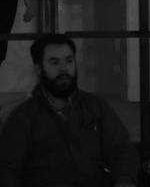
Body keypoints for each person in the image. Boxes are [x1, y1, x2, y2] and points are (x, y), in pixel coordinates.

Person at [0, 33, 138, 187]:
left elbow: (121, 150)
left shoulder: (95, 107)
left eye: (69, 61)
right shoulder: (23, 117)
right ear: (39, 69)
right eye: (54, 62)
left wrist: (125, 180)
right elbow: (7, 170)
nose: (64, 68)